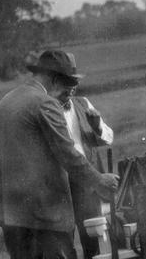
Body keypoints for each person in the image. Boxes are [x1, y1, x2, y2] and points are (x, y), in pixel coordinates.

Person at [0, 50, 119, 259]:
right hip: (44, 213)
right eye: (68, 83)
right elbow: (67, 153)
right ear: (55, 79)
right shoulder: (45, 102)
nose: (70, 90)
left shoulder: (6, 102)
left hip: (10, 212)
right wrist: (99, 180)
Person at [60, 86, 114, 259]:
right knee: (64, 242)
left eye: (73, 84)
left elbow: (108, 137)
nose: (71, 89)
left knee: (93, 237)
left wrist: (97, 126)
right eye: (66, 83)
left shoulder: (83, 104)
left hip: (87, 182)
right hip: (61, 183)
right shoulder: (46, 109)